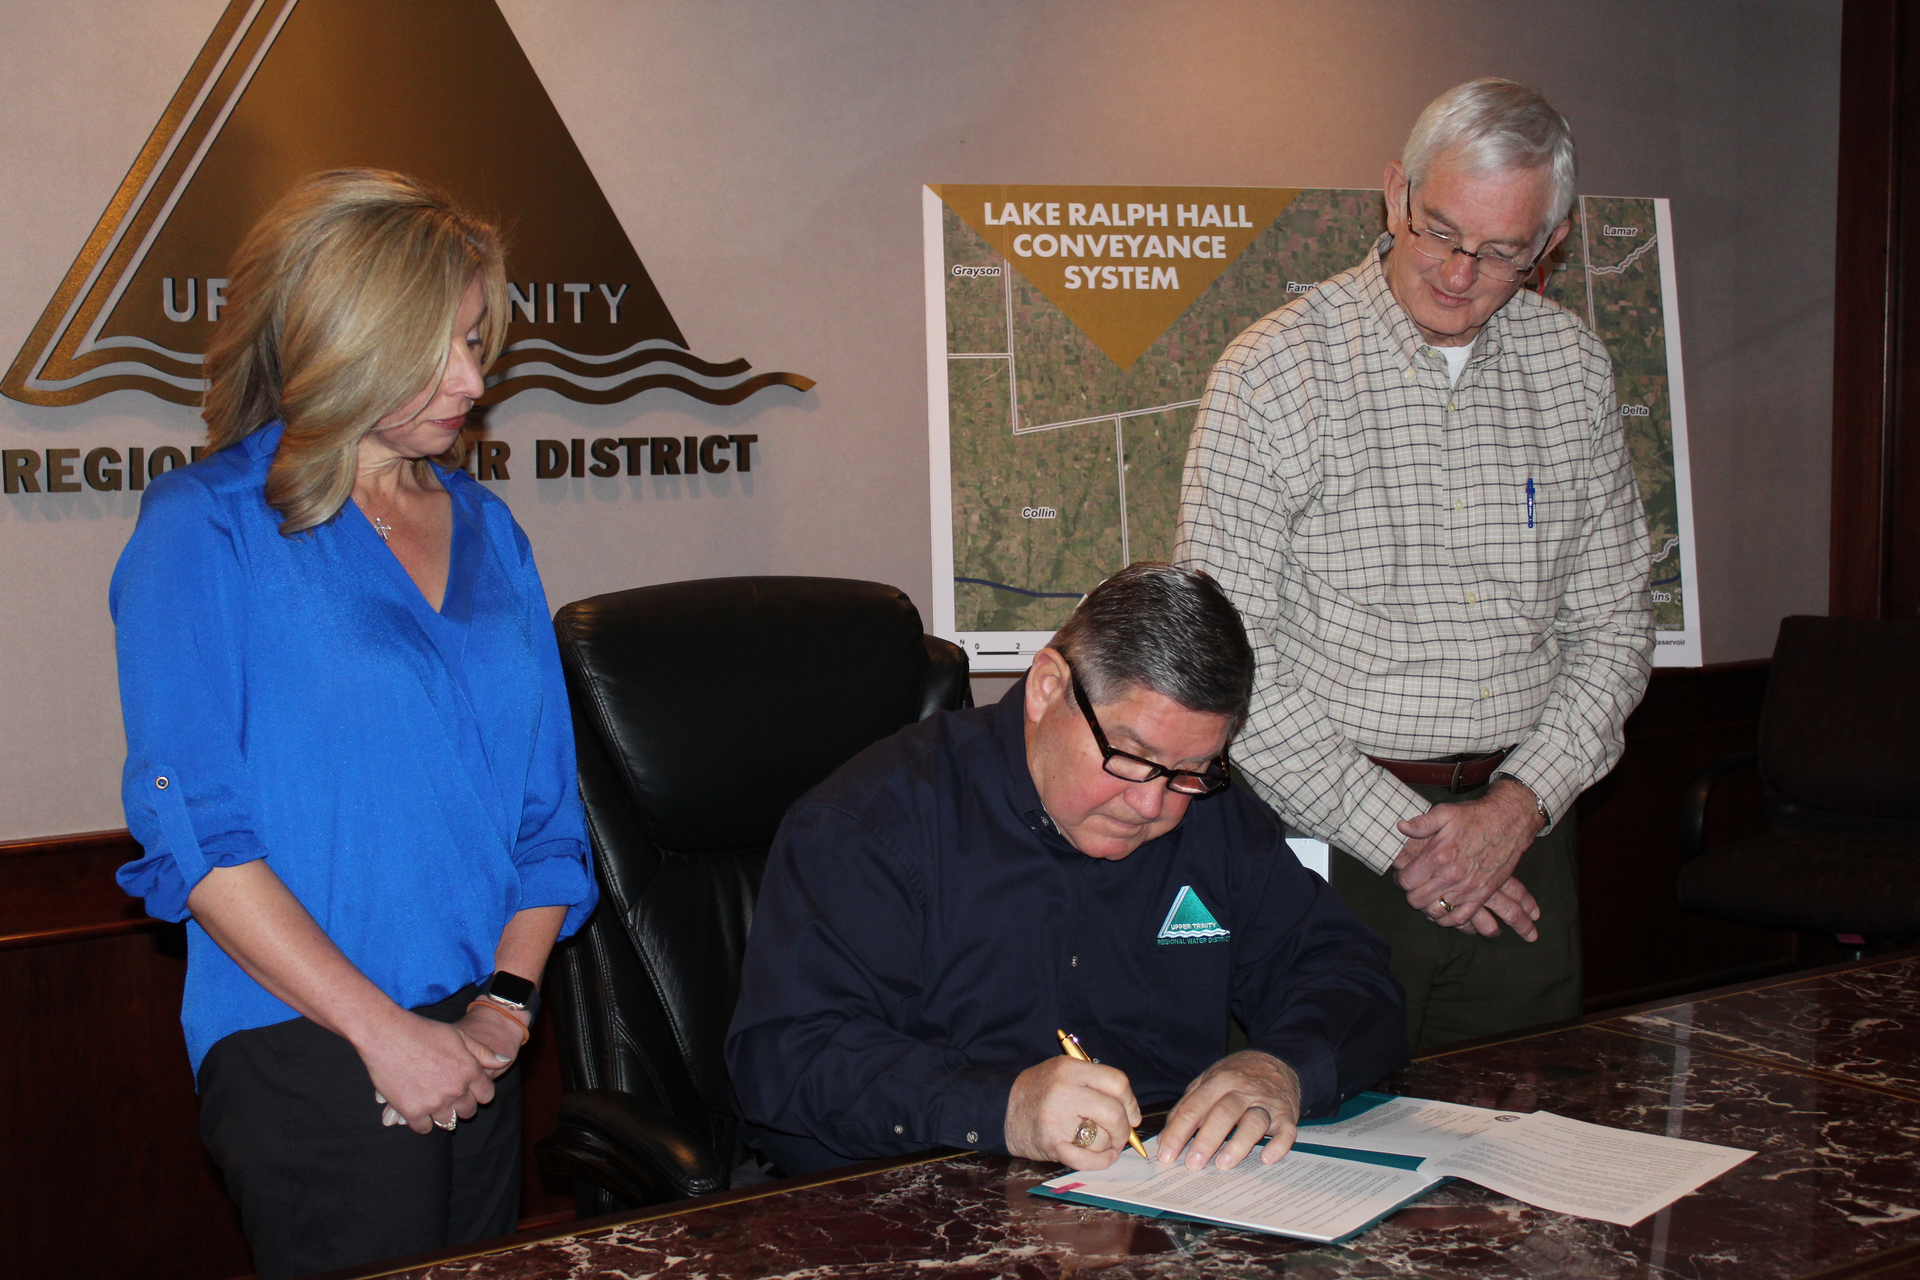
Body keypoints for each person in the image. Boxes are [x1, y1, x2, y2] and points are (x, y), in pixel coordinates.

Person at [111, 169, 599, 1280]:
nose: (473, 379)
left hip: (480, 1039)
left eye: (478, 340)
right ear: (343, 339)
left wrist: (506, 1011)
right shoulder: (207, 527)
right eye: (438, 349)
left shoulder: (490, 528)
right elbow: (195, 833)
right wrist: (386, 1033)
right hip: (308, 1040)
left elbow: (547, 818)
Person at [1176, 79, 1654, 1051]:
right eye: (1437, 229)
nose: (1456, 271)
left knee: (1521, 1156)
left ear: (1549, 243)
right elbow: (1228, 655)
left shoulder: (1575, 369)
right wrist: (1420, 841)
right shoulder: (1274, 371)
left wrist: (1514, 808)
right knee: (1312, 1159)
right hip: (1329, 842)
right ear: (1394, 195)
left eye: (1500, 251)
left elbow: (1613, 626)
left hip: (1526, 841)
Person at [726, 563, 1406, 1176]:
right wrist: (1004, 1108)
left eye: (1190, 772)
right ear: (1048, 688)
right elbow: (787, 1058)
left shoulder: (1210, 814)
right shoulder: (870, 824)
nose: (1151, 804)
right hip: (927, 1202)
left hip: (1170, 1198)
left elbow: (1349, 970)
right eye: (1132, 758)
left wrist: (1280, 1068)